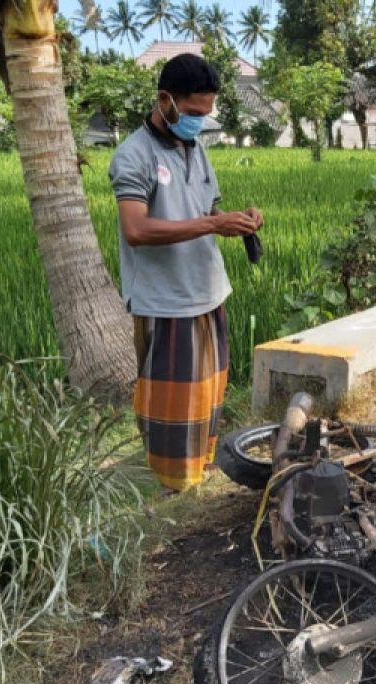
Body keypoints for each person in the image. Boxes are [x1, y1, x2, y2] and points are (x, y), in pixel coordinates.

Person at [109, 54, 265, 494]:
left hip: (207, 291)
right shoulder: (133, 156)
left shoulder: (196, 150)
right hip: (166, 300)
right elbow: (136, 229)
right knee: (172, 402)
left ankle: (198, 469)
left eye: (206, 114)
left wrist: (235, 219)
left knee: (206, 394)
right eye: (194, 113)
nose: (200, 122)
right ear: (165, 99)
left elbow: (207, 209)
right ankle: (170, 487)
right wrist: (214, 224)